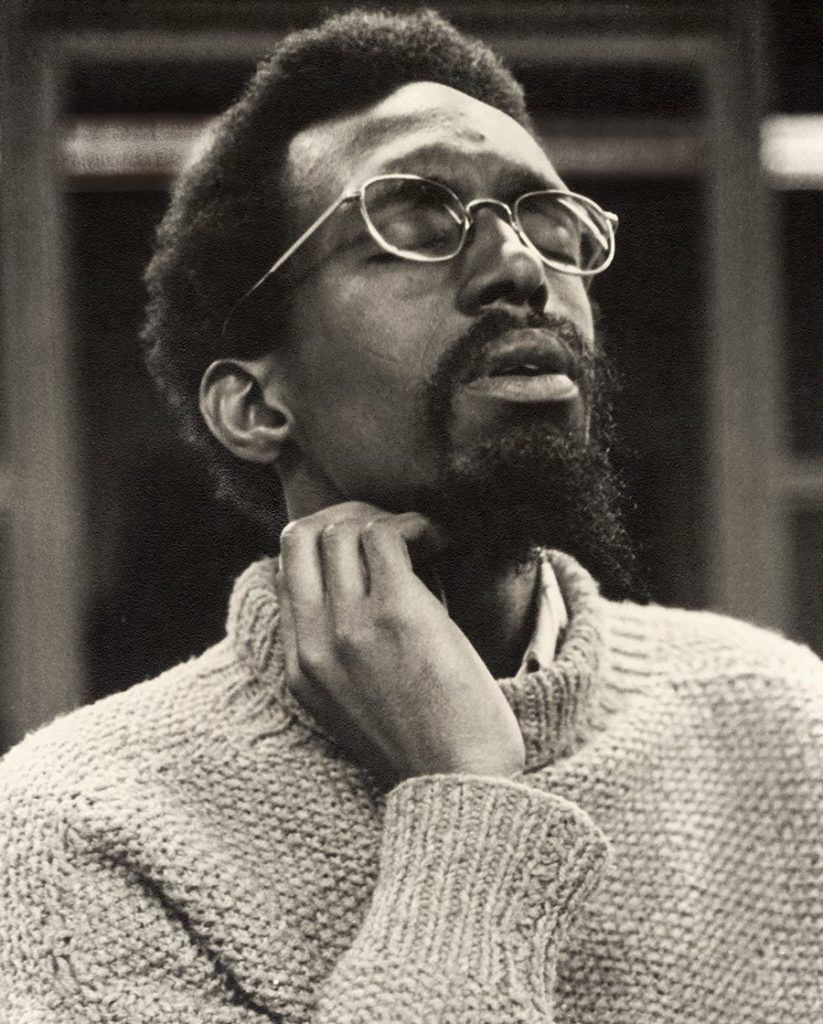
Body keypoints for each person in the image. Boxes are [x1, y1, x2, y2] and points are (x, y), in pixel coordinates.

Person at [1, 8, 822, 1022]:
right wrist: (470, 798)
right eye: (416, 222)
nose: (521, 268)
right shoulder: (83, 829)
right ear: (256, 406)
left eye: (544, 217)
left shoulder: (786, 726)